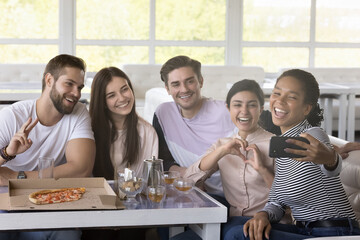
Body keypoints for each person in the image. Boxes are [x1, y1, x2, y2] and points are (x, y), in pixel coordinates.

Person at [235, 69, 360, 240]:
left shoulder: (313, 135)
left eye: (291, 97)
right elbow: (277, 202)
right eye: (276, 93)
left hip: (336, 232)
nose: (279, 100)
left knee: (237, 235)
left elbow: (331, 166)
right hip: (304, 230)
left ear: (306, 108)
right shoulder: (283, 146)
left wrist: (331, 158)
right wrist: (262, 215)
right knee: (234, 225)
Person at [173, 80, 292, 240]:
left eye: (251, 105)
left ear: (261, 109)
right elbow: (188, 180)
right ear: (228, 109)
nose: (244, 112)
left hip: (268, 223)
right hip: (233, 221)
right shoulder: (222, 145)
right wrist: (221, 152)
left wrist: (263, 170)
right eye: (237, 105)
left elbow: (290, 200)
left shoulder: (277, 144)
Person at [0, 54, 95, 240]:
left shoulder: (79, 113)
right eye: (69, 84)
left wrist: (16, 177)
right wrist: (7, 153)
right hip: (6, 200)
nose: (76, 93)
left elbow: (81, 169)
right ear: (49, 80)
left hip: (48, 201)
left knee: (67, 234)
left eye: (80, 87)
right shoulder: (12, 116)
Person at [84, 66, 158, 240]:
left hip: (133, 209)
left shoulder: (146, 131)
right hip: (96, 209)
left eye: (124, 89)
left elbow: (148, 181)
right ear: (102, 101)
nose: (122, 98)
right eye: (111, 95)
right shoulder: (89, 130)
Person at [153, 55, 235, 201]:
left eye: (189, 81)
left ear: (201, 81)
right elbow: (163, 160)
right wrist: (189, 175)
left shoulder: (227, 111)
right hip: (187, 194)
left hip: (230, 197)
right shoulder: (164, 114)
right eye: (176, 84)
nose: (184, 89)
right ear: (167, 89)